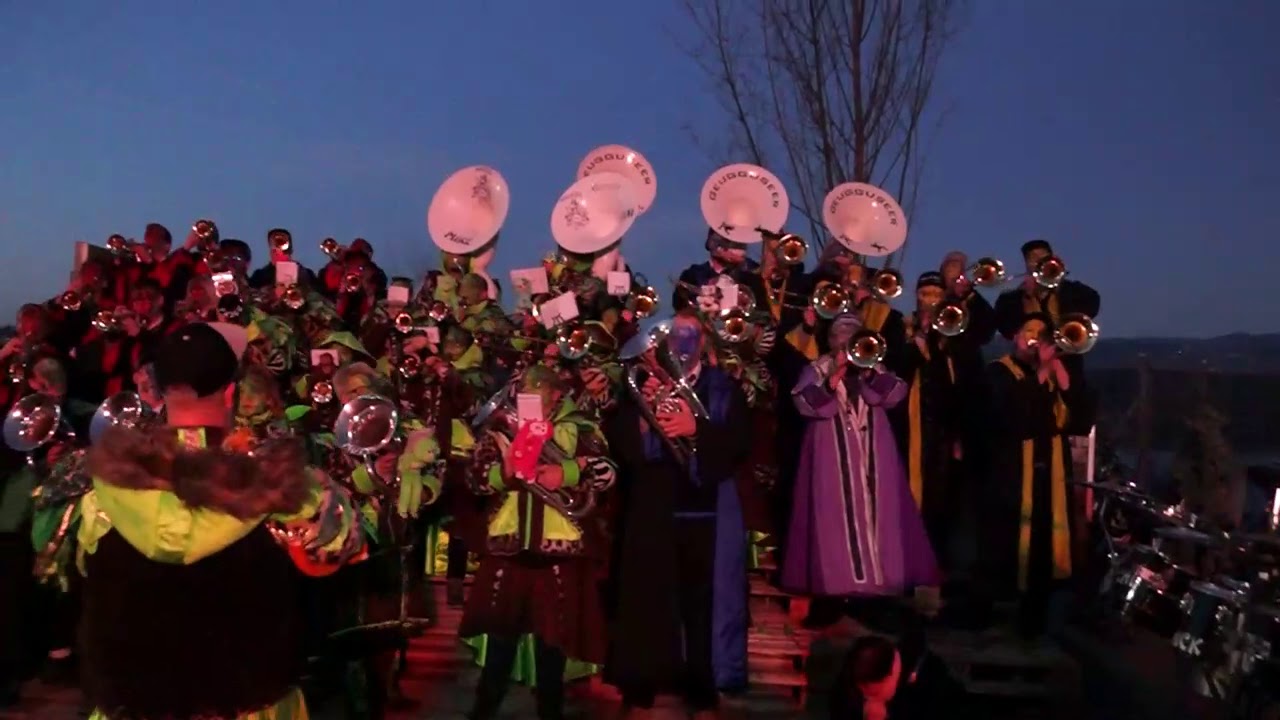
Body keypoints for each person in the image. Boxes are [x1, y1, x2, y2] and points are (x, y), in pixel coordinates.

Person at [67, 321, 366, 718]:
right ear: (230, 392)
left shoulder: (98, 497)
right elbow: (343, 552)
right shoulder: (291, 491)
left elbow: (79, 574)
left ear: (160, 390)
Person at [604, 309, 752, 717]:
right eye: (676, 335)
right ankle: (641, 687)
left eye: (691, 335)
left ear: (703, 342)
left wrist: (695, 429)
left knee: (700, 608)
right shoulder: (643, 385)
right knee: (646, 600)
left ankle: (702, 689)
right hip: (651, 508)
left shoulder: (724, 387)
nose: (683, 343)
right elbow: (618, 442)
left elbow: (740, 444)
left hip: (703, 512)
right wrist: (645, 422)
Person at [460, 365, 617, 720]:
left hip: (558, 558)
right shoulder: (500, 428)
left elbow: (608, 473)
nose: (530, 404)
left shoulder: (579, 428)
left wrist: (568, 472)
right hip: (508, 552)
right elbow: (474, 477)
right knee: (498, 652)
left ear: (558, 397)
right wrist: (504, 472)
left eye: (540, 397)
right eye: (525, 396)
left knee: (552, 653)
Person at [781, 314, 938, 622]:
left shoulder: (873, 365)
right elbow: (804, 403)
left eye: (853, 333)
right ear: (831, 339)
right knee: (833, 520)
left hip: (873, 457)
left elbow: (894, 394)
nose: (847, 338)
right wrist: (834, 377)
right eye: (841, 333)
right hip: (831, 458)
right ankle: (836, 590)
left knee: (878, 518)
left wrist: (867, 374)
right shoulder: (817, 368)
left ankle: (878, 591)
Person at [983, 312, 1084, 638]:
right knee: (1012, 546)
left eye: (1042, 334)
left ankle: (1040, 621)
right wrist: (1042, 371)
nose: (1034, 338)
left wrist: (1060, 374)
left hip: (1050, 472)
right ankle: (1004, 619)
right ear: (1015, 336)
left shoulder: (1055, 373)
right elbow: (1011, 417)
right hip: (1012, 472)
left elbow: (1078, 419)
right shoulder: (999, 370)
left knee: (1045, 546)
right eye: (1029, 331)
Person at [993, 239, 1100, 433]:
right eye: (1032, 259)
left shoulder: (1070, 291)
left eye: (1043, 257)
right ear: (1026, 265)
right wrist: (1025, 296)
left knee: (1069, 420)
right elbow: (1005, 327)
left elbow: (1093, 303)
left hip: (1066, 364)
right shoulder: (1013, 298)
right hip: (1028, 369)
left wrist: (1058, 284)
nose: (1038, 262)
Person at [898, 273, 964, 568]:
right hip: (908, 426)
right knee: (909, 495)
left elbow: (959, 386)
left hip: (942, 430)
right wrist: (920, 338)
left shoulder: (953, 332)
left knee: (940, 498)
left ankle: (936, 564)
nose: (930, 301)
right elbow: (898, 368)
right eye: (925, 294)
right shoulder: (903, 327)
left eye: (936, 294)